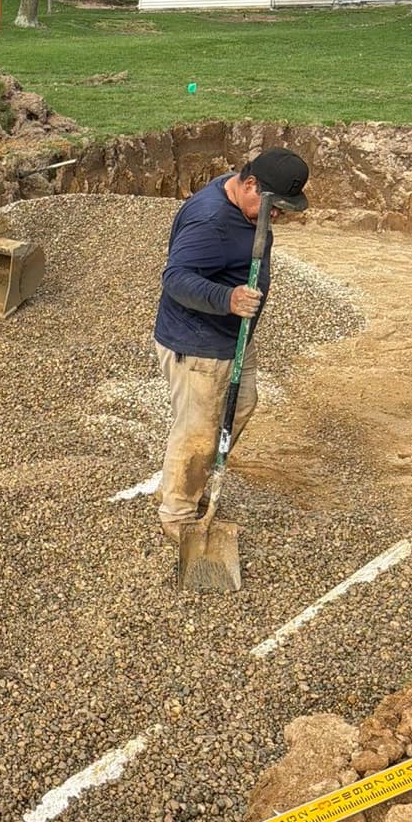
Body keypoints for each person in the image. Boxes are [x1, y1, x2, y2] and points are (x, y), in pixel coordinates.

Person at [153, 147, 310, 542]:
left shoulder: (242, 200)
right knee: (199, 431)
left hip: (233, 336)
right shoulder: (211, 222)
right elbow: (175, 278)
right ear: (251, 184)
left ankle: (189, 480)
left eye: (282, 211)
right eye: (272, 208)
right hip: (199, 343)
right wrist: (229, 299)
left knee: (240, 405)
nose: (276, 217)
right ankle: (178, 514)